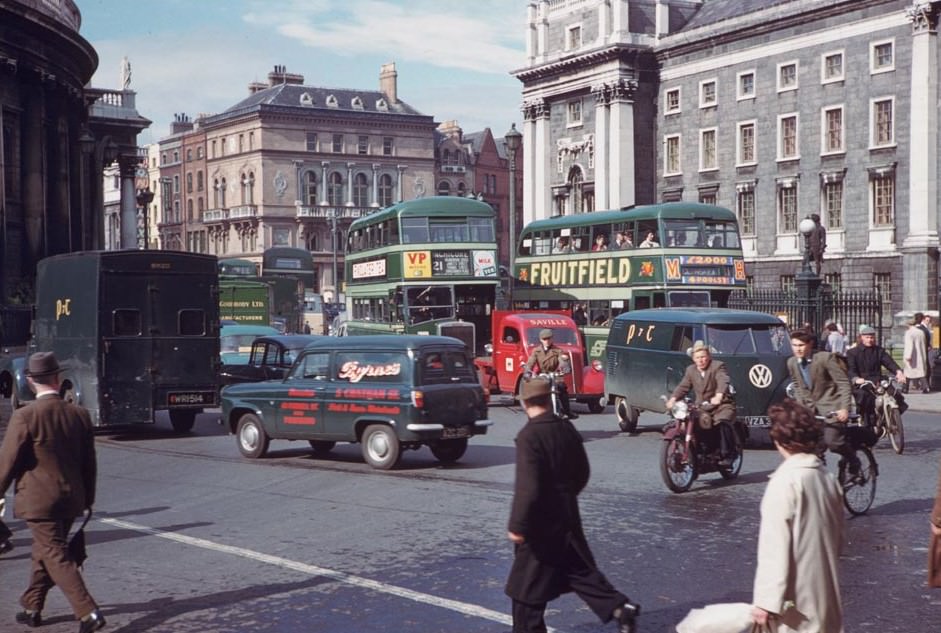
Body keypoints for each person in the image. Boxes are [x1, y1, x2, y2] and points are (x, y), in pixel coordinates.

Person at [506, 377, 640, 633]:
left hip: (539, 524)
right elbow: (582, 471)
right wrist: (566, 497)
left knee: (526, 589)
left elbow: (528, 487)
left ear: (525, 403)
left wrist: (517, 525)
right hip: (567, 515)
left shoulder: (529, 436)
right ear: (548, 399)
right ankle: (620, 608)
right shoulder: (565, 428)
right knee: (576, 571)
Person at [0, 352, 106, 632]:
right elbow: (89, 463)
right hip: (72, 497)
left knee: (55, 553)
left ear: (31, 381)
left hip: (39, 501)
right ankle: (31, 606)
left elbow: (6, 462)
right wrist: (88, 498)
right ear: (58, 379)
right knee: (44, 551)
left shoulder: (25, 416)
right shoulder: (79, 414)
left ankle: (87, 612)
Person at [752, 399, 844, 632]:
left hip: (795, 600)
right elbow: (839, 539)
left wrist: (766, 601)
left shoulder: (784, 483)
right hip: (826, 590)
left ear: (779, 440)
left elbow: (774, 548)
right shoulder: (826, 477)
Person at [786, 329, 858, 474]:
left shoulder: (824, 358)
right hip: (811, 411)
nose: (797, 349)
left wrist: (844, 408)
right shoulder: (792, 362)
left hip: (833, 408)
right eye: (794, 345)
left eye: (801, 345)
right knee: (808, 447)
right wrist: (801, 405)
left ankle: (853, 459)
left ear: (810, 344)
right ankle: (819, 474)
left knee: (833, 442)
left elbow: (843, 383)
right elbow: (797, 383)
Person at [664, 340, 737, 466]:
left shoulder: (717, 366)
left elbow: (723, 380)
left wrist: (719, 395)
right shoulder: (691, 370)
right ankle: (700, 452)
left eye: (703, 357)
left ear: (708, 356)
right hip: (702, 406)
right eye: (697, 357)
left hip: (722, 405)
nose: (701, 360)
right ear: (693, 358)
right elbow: (683, 386)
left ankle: (727, 454)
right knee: (691, 421)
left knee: (722, 422)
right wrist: (673, 399)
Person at [846, 324, 907, 426]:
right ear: (861, 337)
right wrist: (856, 379)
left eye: (872, 337)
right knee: (865, 397)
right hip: (863, 382)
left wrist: (898, 372)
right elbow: (851, 369)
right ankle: (866, 422)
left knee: (896, 394)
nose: (870, 340)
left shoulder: (879, 351)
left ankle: (891, 416)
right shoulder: (853, 352)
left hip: (878, 380)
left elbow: (889, 362)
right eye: (867, 337)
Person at [524, 329, 578, 419]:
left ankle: (567, 411)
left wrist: (564, 367)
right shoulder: (536, 351)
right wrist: (527, 371)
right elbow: (530, 362)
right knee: (534, 389)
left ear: (552, 339)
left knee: (561, 387)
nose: (547, 341)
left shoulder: (557, 351)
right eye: (544, 339)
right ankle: (534, 410)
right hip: (542, 376)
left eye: (549, 339)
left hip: (554, 375)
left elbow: (562, 360)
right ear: (541, 340)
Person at [904, 315, 928, 393]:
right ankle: (925, 387)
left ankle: (905, 388)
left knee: (908, 372)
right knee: (921, 372)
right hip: (920, 355)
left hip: (912, 356)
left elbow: (909, 345)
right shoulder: (921, 332)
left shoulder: (909, 333)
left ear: (908, 325)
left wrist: (908, 355)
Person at [917, 312, 933, 391]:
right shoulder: (922, 328)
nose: (928, 322)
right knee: (925, 368)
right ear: (923, 320)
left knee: (926, 368)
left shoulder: (925, 328)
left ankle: (925, 385)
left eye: (929, 321)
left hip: (925, 350)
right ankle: (925, 386)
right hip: (923, 351)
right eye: (927, 320)